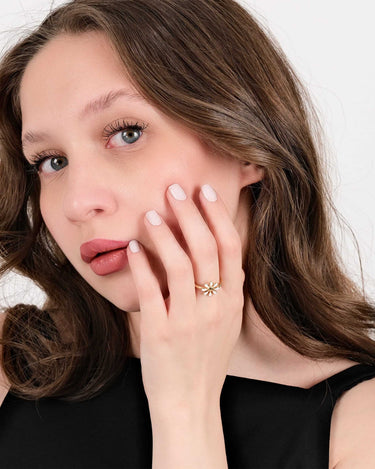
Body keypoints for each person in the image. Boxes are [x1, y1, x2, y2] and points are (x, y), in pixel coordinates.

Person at [0, 0, 374, 467]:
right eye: (52, 162)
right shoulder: (11, 365)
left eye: (127, 133)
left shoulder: (360, 423)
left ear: (247, 146)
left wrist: (185, 408)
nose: (77, 203)